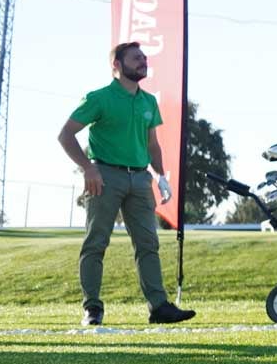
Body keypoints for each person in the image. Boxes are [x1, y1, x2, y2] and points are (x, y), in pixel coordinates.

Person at [56, 42, 196, 326]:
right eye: (136, 58)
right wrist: (88, 168)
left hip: (141, 179)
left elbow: (152, 144)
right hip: (105, 178)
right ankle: (92, 309)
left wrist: (161, 175)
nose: (143, 61)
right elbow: (66, 135)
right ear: (117, 66)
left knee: (148, 244)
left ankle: (159, 307)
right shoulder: (99, 98)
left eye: (144, 58)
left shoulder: (148, 102)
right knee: (96, 243)